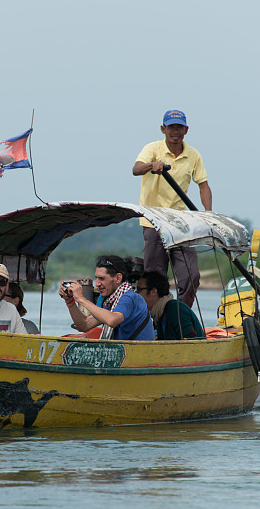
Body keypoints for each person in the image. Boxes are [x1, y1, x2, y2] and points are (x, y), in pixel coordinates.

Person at [133, 109, 212, 307]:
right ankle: (154, 318)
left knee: (190, 277)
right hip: (153, 220)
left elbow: (203, 185)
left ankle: (179, 315)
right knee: (155, 277)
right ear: (163, 129)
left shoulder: (193, 155)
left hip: (180, 222)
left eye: (179, 127)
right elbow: (136, 169)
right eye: (171, 127)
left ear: (186, 130)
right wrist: (153, 165)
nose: (175, 131)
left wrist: (208, 214)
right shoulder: (152, 149)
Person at [59, 255, 154, 341]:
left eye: (102, 278)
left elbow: (112, 320)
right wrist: (70, 302)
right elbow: (84, 325)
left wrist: (81, 299)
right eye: (97, 278)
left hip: (139, 355)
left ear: (118, 278)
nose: (97, 284)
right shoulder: (111, 302)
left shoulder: (130, 297)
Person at [136, 271, 205, 340]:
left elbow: (193, 341)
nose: (135, 293)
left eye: (139, 289)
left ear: (154, 291)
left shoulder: (175, 309)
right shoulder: (161, 314)